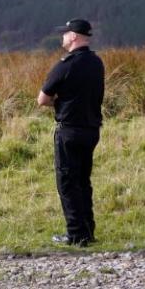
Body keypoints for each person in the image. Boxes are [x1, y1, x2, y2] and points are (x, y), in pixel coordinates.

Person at [37, 19, 104, 246]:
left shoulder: (65, 65)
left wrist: (60, 100)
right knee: (83, 181)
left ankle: (76, 233)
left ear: (74, 36)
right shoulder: (96, 62)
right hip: (91, 129)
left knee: (67, 181)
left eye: (65, 33)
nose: (62, 37)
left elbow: (42, 99)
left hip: (69, 130)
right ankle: (88, 230)